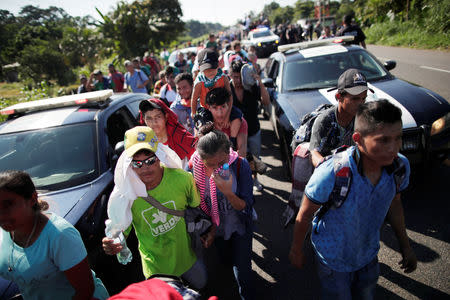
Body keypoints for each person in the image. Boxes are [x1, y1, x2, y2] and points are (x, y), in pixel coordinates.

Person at [289, 99, 417, 299]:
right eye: (383, 140)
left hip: (367, 257)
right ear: (358, 139)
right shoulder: (332, 172)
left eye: (398, 138)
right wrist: (296, 250)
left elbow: (395, 203)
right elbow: (305, 213)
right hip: (332, 261)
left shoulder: (399, 168)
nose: (393, 148)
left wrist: (406, 246)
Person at [103, 126, 207, 290]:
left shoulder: (183, 179)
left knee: (201, 286)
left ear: (159, 156)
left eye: (150, 160)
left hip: (187, 257)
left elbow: (196, 207)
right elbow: (119, 230)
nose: (145, 168)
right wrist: (111, 243)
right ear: (129, 165)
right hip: (156, 270)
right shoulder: (126, 195)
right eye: (137, 163)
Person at [0, 170, 109, 300]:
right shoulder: (7, 230)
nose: (1, 214)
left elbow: (85, 291)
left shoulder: (60, 235)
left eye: (8, 205)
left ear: (32, 199)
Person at [283, 68, 371, 226]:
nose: (360, 104)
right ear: (339, 97)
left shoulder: (362, 119)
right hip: (323, 171)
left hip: (348, 170)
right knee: (315, 215)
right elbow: (313, 154)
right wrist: (332, 170)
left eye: (363, 99)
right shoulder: (325, 120)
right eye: (355, 99)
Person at [191, 125, 255, 300]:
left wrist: (227, 192)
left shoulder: (241, 166)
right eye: (210, 165)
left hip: (239, 227)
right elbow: (197, 207)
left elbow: (246, 207)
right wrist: (209, 232)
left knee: (243, 272)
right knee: (225, 262)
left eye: (222, 163)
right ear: (201, 160)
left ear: (229, 153)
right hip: (216, 232)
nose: (216, 169)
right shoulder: (194, 171)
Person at [229, 60, 270, 191]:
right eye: (234, 76)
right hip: (235, 132)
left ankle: (255, 179)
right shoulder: (228, 89)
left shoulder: (251, 86)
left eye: (239, 77)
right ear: (230, 75)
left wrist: (260, 83)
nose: (237, 80)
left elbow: (266, 101)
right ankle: (240, 184)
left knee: (255, 158)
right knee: (237, 160)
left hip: (253, 130)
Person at [191, 48, 242, 150]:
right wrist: (193, 113)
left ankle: (232, 141)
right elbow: (194, 98)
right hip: (206, 108)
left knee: (237, 115)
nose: (210, 72)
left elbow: (230, 97)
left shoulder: (223, 77)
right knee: (203, 126)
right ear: (200, 68)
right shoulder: (199, 82)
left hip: (223, 106)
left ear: (218, 65)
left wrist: (227, 115)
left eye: (212, 68)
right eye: (206, 69)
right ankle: (208, 147)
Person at [139, 98, 197, 164]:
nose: (154, 122)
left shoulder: (182, 137)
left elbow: (198, 160)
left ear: (166, 116)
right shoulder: (143, 143)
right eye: (149, 119)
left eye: (158, 117)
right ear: (144, 119)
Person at [203, 87, 248, 158]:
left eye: (223, 107)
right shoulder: (203, 123)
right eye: (215, 108)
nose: (219, 113)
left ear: (229, 105)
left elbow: (242, 151)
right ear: (208, 107)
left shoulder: (240, 122)